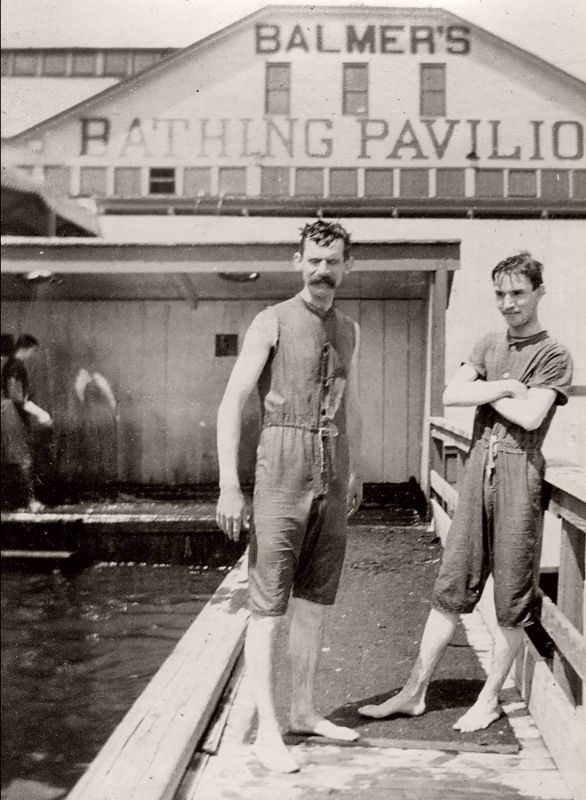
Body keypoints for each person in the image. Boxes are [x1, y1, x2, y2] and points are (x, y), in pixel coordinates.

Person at [359, 251, 573, 732]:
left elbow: (531, 417)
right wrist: (507, 387)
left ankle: (490, 698)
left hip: (520, 479)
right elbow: (451, 394)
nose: (508, 303)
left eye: (518, 293)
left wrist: (493, 391)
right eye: (500, 293)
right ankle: (414, 691)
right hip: (478, 470)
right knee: (450, 588)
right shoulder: (488, 343)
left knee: (511, 602)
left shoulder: (555, 353)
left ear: (539, 292)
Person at [216, 220, 363, 773]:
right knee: (269, 605)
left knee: (314, 601)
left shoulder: (349, 327)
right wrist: (230, 484)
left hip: (333, 462)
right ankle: (265, 730)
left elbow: (353, 404)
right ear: (298, 260)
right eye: (314, 260)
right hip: (281, 461)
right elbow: (232, 403)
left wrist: (357, 468)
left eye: (333, 261)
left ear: (347, 266)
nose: (323, 271)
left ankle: (302, 708)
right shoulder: (270, 320)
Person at [1, 334, 52, 511]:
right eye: (32, 351)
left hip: (12, 416)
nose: (32, 355)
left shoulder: (11, 365)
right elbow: (15, 395)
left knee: (16, 460)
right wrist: (41, 413)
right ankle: (31, 502)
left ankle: (20, 501)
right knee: (24, 460)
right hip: (13, 417)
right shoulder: (15, 366)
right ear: (26, 348)